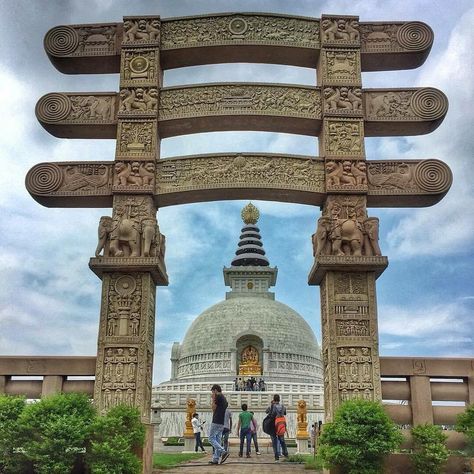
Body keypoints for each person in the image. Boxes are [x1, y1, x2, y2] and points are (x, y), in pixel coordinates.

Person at [209, 384, 230, 465]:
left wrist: (213, 399)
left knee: (211, 438)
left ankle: (223, 451)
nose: (212, 393)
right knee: (217, 439)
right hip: (221, 422)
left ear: (215, 390)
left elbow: (213, 408)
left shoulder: (218, 396)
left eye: (212, 391)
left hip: (216, 420)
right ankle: (215, 459)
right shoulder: (224, 398)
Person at [266, 394, 289, 462]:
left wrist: (271, 405)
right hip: (280, 424)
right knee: (282, 440)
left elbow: (267, 412)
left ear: (274, 399)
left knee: (274, 442)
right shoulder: (282, 406)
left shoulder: (271, 406)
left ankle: (276, 457)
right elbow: (284, 413)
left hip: (273, 425)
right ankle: (286, 454)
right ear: (279, 399)